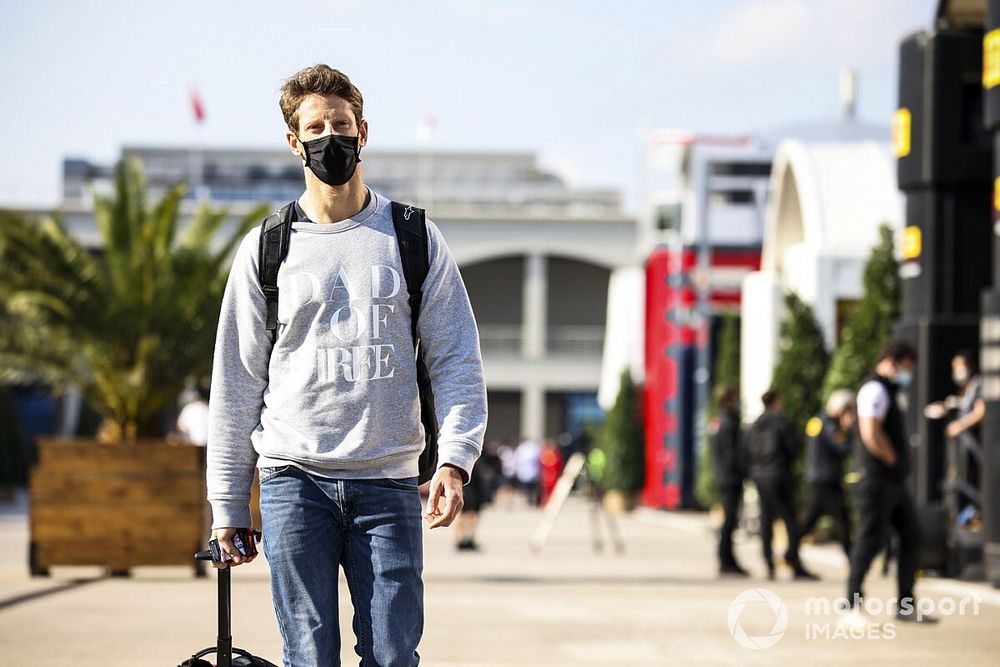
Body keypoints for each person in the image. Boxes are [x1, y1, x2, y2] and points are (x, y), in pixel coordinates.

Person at [206, 65, 488, 666]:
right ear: (294, 142)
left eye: (341, 124)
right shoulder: (267, 247)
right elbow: (235, 382)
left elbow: (457, 357)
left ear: (363, 132)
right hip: (293, 483)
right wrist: (228, 505)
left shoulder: (412, 237)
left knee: (392, 656)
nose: (330, 137)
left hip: (388, 483)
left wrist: (455, 462)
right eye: (316, 127)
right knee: (308, 656)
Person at [844, 339, 934, 624]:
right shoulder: (874, 389)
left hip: (891, 482)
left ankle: (906, 605)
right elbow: (871, 432)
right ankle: (851, 605)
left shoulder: (889, 391)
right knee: (869, 542)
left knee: (911, 536)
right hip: (877, 479)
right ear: (893, 362)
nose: (908, 374)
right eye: (907, 367)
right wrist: (893, 459)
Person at [746, 389, 818, 580]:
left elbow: (745, 452)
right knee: (790, 521)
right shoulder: (782, 422)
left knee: (766, 520)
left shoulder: (754, 425)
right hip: (779, 474)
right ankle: (793, 560)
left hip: (760, 477)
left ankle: (769, 563)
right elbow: (792, 449)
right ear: (776, 401)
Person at [799, 389, 856, 557]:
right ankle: (854, 560)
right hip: (827, 479)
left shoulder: (817, 420)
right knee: (842, 520)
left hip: (818, 477)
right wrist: (849, 429)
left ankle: (790, 552)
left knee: (810, 519)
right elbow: (843, 447)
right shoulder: (829, 424)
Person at [709, 384, 749, 577]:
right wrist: (745, 470)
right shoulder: (729, 421)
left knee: (729, 519)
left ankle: (727, 558)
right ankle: (726, 559)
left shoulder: (718, 420)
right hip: (731, 476)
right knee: (730, 520)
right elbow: (733, 452)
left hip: (723, 475)